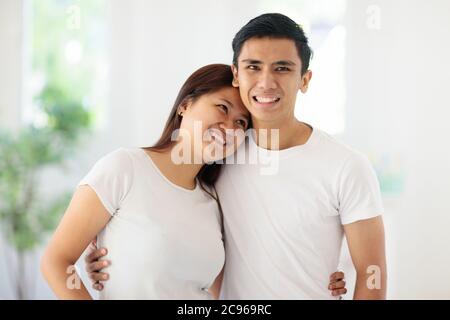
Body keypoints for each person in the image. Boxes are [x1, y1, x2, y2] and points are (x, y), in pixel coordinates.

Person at [41, 63, 347, 299]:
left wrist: (324, 277)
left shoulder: (215, 199)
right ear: (185, 105)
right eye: (222, 108)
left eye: (241, 123)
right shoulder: (124, 168)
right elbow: (57, 261)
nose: (229, 127)